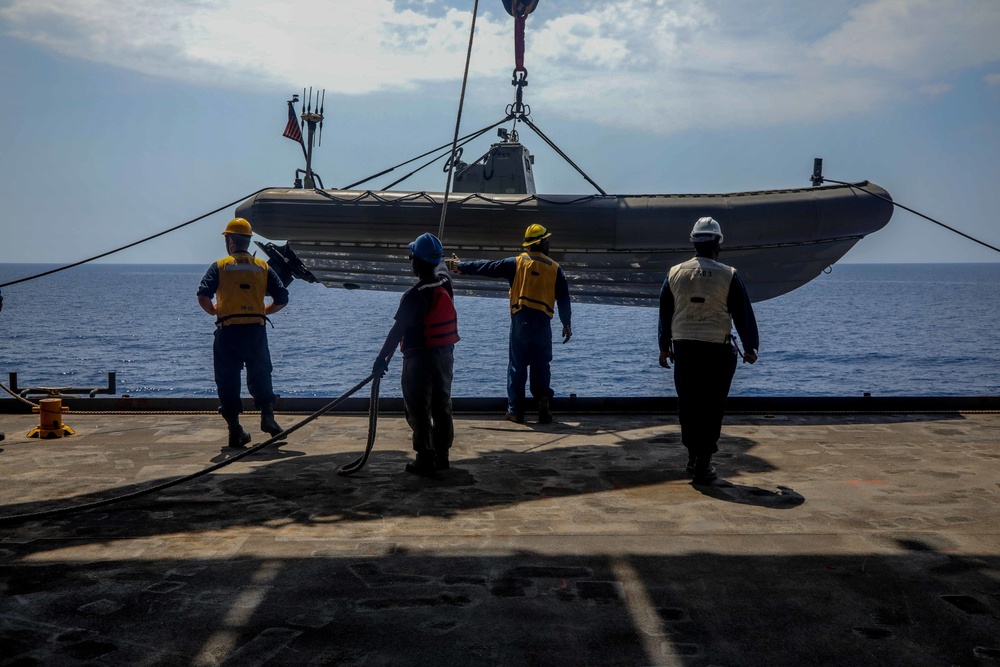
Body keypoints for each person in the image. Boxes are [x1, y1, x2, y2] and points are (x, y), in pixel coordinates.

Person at [659, 216, 759, 483]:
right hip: (717, 351)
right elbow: (743, 314)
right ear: (718, 243)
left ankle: (693, 456)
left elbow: (665, 312)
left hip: (684, 350)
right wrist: (750, 347)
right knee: (712, 405)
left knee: (689, 404)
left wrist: (663, 347)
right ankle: (704, 462)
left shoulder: (674, 273)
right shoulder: (729, 275)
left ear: (693, 242)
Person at [447, 224, 571, 424]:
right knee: (541, 365)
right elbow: (564, 299)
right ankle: (543, 405)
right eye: (546, 240)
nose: (549, 244)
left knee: (517, 366)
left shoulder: (516, 263)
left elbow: (486, 267)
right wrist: (566, 323)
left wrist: (460, 266)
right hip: (543, 323)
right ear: (539, 243)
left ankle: (515, 411)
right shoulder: (555, 269)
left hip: (521, 321)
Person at [372, 233, 459, 477]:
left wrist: (380, 361)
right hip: (445, 356)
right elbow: (441, 268)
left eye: (412, 257)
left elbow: (396, 331)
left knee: (418, 409)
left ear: (416, 263)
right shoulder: (445, 283)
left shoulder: (414, 296)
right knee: (442, 405)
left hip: (420, 360)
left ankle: (425, 458)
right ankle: (442, 456)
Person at [197, 218, 289, 447]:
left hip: (228, 331)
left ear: (230, 241)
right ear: (247, 242)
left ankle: (235, 430)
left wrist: (214, 311)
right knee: (261, 373)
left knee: (227, 380)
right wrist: (264, 310)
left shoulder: (220, 266)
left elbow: (203, 295)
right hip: (255, 331)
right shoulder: (262, 267)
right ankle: (268, 418)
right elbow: (282, 298)